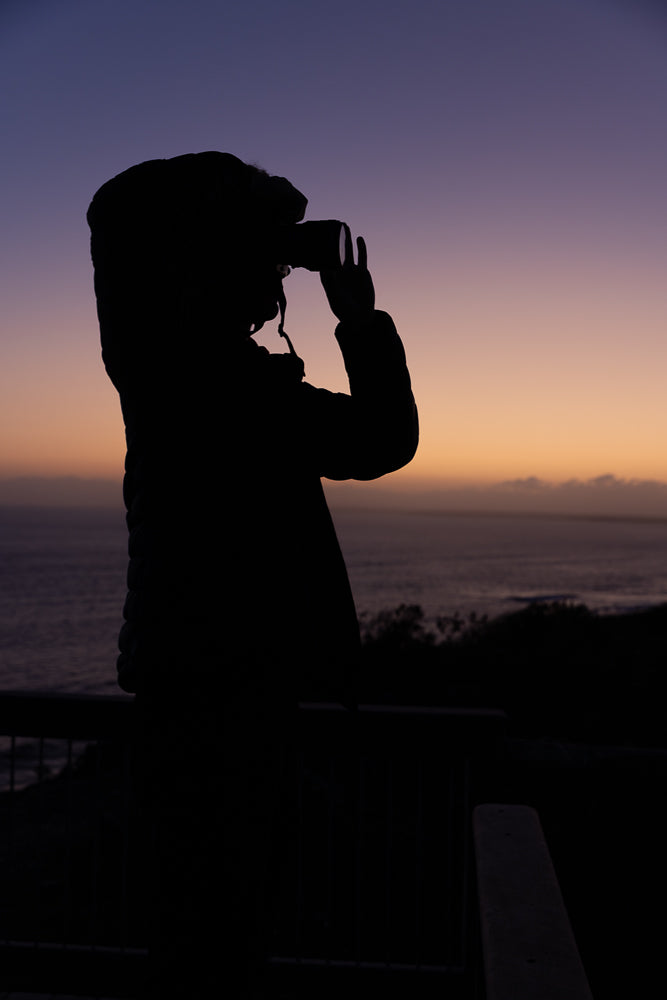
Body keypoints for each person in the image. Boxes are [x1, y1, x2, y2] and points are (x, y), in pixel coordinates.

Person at [87, 151, 418, 998]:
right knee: (220, 934)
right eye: (263, 262)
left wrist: (262, 232)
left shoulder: (166, 375)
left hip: (194, 684)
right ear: (206, 263)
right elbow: (383, 438)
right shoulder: (216, 387)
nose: (273, 276)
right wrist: (355, 312)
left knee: (203, 932)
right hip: (224, 693)